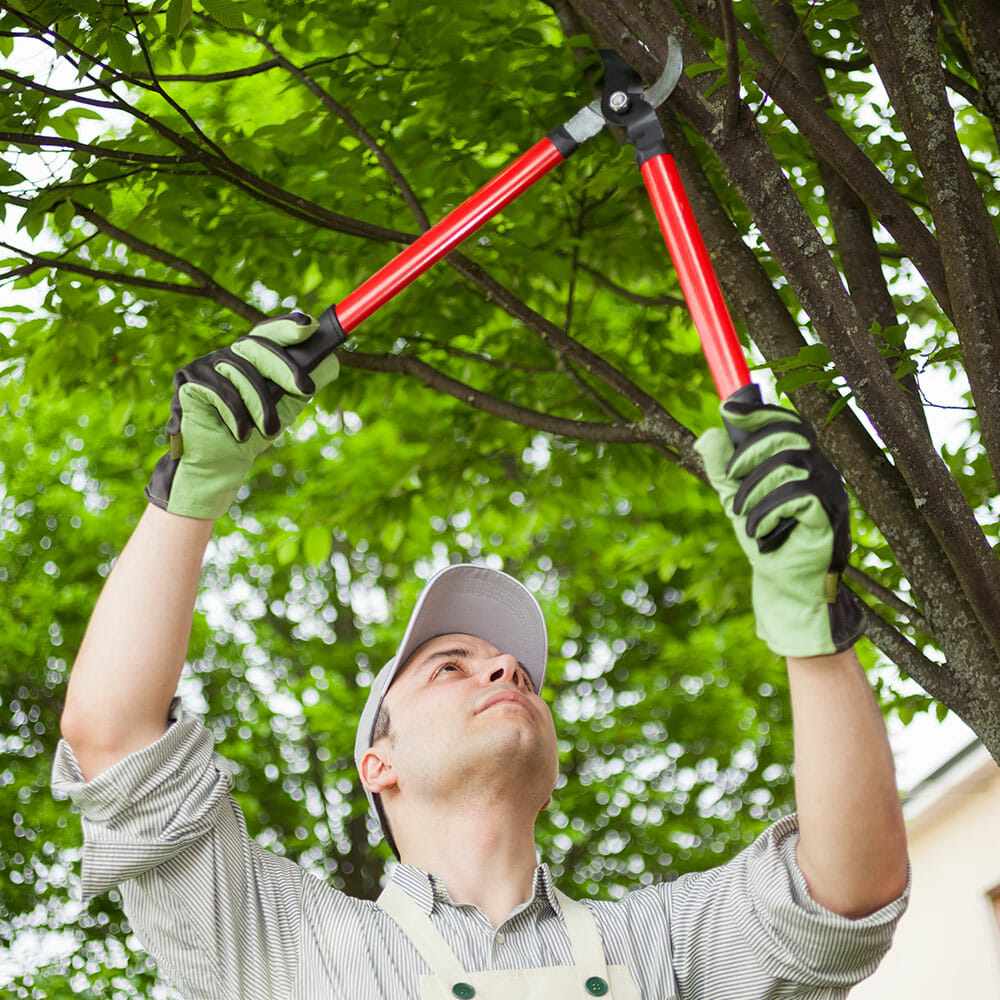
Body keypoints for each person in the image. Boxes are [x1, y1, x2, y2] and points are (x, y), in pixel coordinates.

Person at [53, 314, 909, 999]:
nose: (504, 671)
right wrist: (189, 492)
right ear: (375, 762)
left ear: (555, 768)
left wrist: (813, 625)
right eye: (450, 665)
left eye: (520, 674)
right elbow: (115, 740)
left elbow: (845, 895)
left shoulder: (661, 946)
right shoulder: (285, 946)